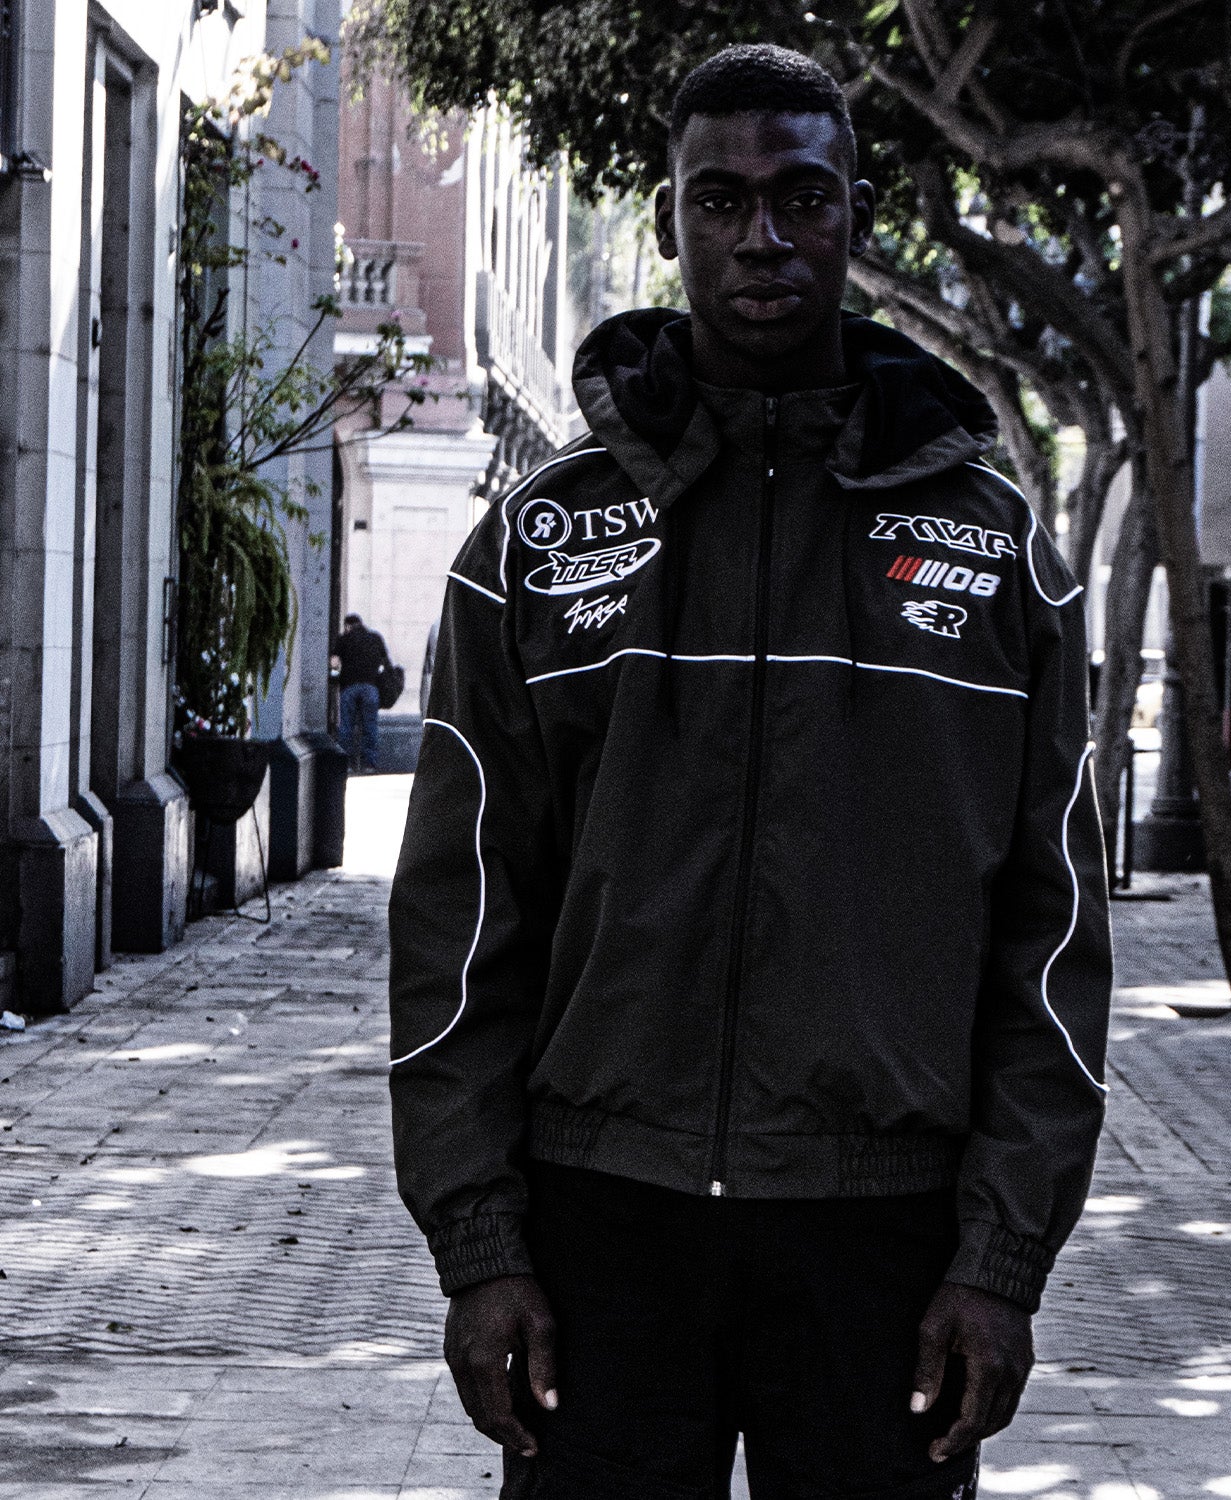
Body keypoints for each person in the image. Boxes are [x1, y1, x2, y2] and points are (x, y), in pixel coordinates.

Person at [389, 44, 1112, 1500]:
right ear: (669, 224)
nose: (762, 236)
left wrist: (1000, 1260)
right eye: (719, 201)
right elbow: (461, 925)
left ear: (857, 217)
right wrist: (480, 1245)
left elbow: (1055, 938)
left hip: (885, 1234)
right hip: (599, 1227)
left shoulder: (992, 556)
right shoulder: (540, 548)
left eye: (801, 197)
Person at [332, 612, 389, 773]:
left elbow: (334, 663)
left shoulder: (343, 639)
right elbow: (384, 662)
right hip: (370, 687)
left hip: (349, 687)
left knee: (346, 727)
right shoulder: (375, 638)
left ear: (347, 626)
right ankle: (369, 764)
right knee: (370, 727)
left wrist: (334, 676)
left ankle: (346, 764)